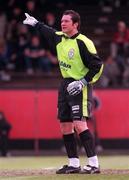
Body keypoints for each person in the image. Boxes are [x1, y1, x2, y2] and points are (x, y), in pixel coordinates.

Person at [23, 10, 103, 174]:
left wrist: (82, 82)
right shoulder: (60, 37)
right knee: (65, 126)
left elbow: (98, 67)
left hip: (80, 85)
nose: (63, 23)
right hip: (65, 84)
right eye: (62, 21)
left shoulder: (84, 42)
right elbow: (48, 31)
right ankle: (73, 163)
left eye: (66, 21)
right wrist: (36, 23)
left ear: (75, 24)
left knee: (80, 125)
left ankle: (94, 164)